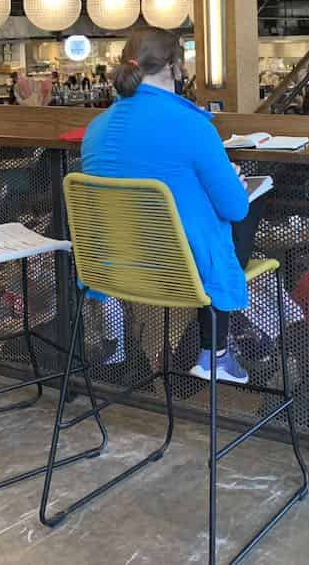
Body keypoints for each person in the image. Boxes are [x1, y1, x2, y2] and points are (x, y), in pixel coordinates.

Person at [79, 27, 255, 384]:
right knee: (249, 204)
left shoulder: (95, 130)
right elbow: (236, 210)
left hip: (115, 268)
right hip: (179, 273)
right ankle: (215, 352)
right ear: (177, 67)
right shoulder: (192, 125)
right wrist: (233, 182)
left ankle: (209, 351)